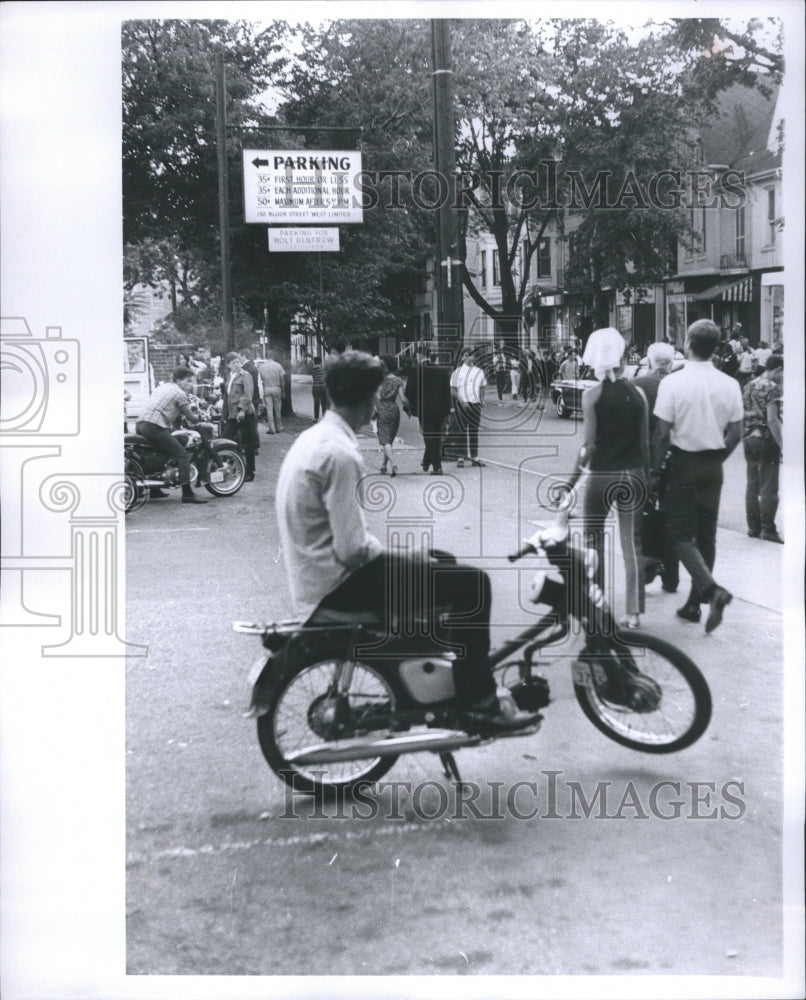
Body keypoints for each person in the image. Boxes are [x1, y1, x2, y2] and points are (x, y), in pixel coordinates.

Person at [275, 350, 538, 732]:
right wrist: (402, 555)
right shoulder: (341, 454)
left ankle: (441, 677)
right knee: (473, 585)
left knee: (440, 563)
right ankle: (479, 702)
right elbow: (351, 549)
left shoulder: (314, 438)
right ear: (369, 399)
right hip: (337, 583)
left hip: (315, 572)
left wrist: (408, 557)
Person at [652, 319, 744, 633]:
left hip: (682, 462)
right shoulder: (730, 384)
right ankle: (693, 605)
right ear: (716, 348)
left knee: (679, 535)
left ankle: (710, 590)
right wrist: (716, 458)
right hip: (712, 465)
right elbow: (736, 434)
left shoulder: (673, 383)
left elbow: (662, 433)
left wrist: (654, 470)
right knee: (706, 536)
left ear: (687, 344)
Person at [558, 328, 650, 629]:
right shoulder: (638, 394)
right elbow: (644, 442)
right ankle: (634, 612)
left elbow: (589, 445)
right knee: (632, 544)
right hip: (633, 473)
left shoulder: (591, 395)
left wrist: (571, 483)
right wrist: (647, 477)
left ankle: (597, 604)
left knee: (593, 541)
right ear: (622, 359)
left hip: (601, 475)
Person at [632, 342, 680, 592]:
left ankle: (645, 570)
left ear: (648, 361)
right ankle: (671, 577)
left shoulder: (636, 385)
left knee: (640, 518)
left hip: (642, 461)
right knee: (672, 518)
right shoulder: (679, 385)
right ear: (670, 363)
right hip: (675, 460)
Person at [135, 366, 209, 504]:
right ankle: (187, 494)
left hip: (141, 424)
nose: (191, 384)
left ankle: (154, 489)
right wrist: (201, 418)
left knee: (157, 454)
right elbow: (191, 417)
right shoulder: (179, 393)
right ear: (179, 380)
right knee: (182, 455)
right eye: (188, 381)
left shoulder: (163, 387)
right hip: (154, 425)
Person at [742, 355, 784, 543]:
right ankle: (768, 528)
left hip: (749, 438)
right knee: (769, 485)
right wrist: (782, 444)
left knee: (752, 484)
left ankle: (753, 526)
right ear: (778, 369)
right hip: (765, 439)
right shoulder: (773, 389)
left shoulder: (749, 385)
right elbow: (772, 419)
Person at [404, 352, 453, 475]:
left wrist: (410, 407)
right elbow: (447, 392)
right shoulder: (443, 371)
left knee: (429, 437)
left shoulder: (415, 371)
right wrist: (449, 410)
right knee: (436, 435)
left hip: (424, 409)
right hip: (440, 409)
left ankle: (437, 467)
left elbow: (409, 391)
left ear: (419, 356)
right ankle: (426, 461)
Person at [221, 352, 259, 482]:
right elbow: (227, 397)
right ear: (228, 365)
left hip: (245, 413)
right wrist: (224, 415)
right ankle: (229, 467)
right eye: (233, 363)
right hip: (232, 414)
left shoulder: (246, 375)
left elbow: (248, 394)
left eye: (238, 362)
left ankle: (250, 472)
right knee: (225, 439)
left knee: (248, 443)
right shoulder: (229, 376)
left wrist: (242, 410)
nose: (236, 365)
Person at [450, 347, 487, 468]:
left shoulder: (479, 371)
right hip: (462, 404)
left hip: (475, 404)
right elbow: (453, 390)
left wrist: (482, 399)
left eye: (471, 355)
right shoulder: (457, 372)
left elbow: (482, 386)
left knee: (474, 431)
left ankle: (474, 457)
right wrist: (462, 401)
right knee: (461, 430)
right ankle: (460, 457)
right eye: (466, 355)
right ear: (462, 358)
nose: (469, 358)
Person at [375, 355, 406, 476]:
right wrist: (409, 405)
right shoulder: (398, 380)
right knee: (389, 439)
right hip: (394, 409)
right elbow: (402, 399)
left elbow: (376, 397)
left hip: (382, 408)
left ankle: (393, 464)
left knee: (385, 440)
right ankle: (383, 465)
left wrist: (376, 410)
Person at [257, 350, 286, 434]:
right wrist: (283, 391)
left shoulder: (262, 367)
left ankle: (271, 428)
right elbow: (282, 379)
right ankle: (279, 427)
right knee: (277, 409)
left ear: (266, 356)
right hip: (277, 388)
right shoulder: (278, 366)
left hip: (267, 388)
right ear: (274, 356)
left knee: (269, 409)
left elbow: (260, 379)